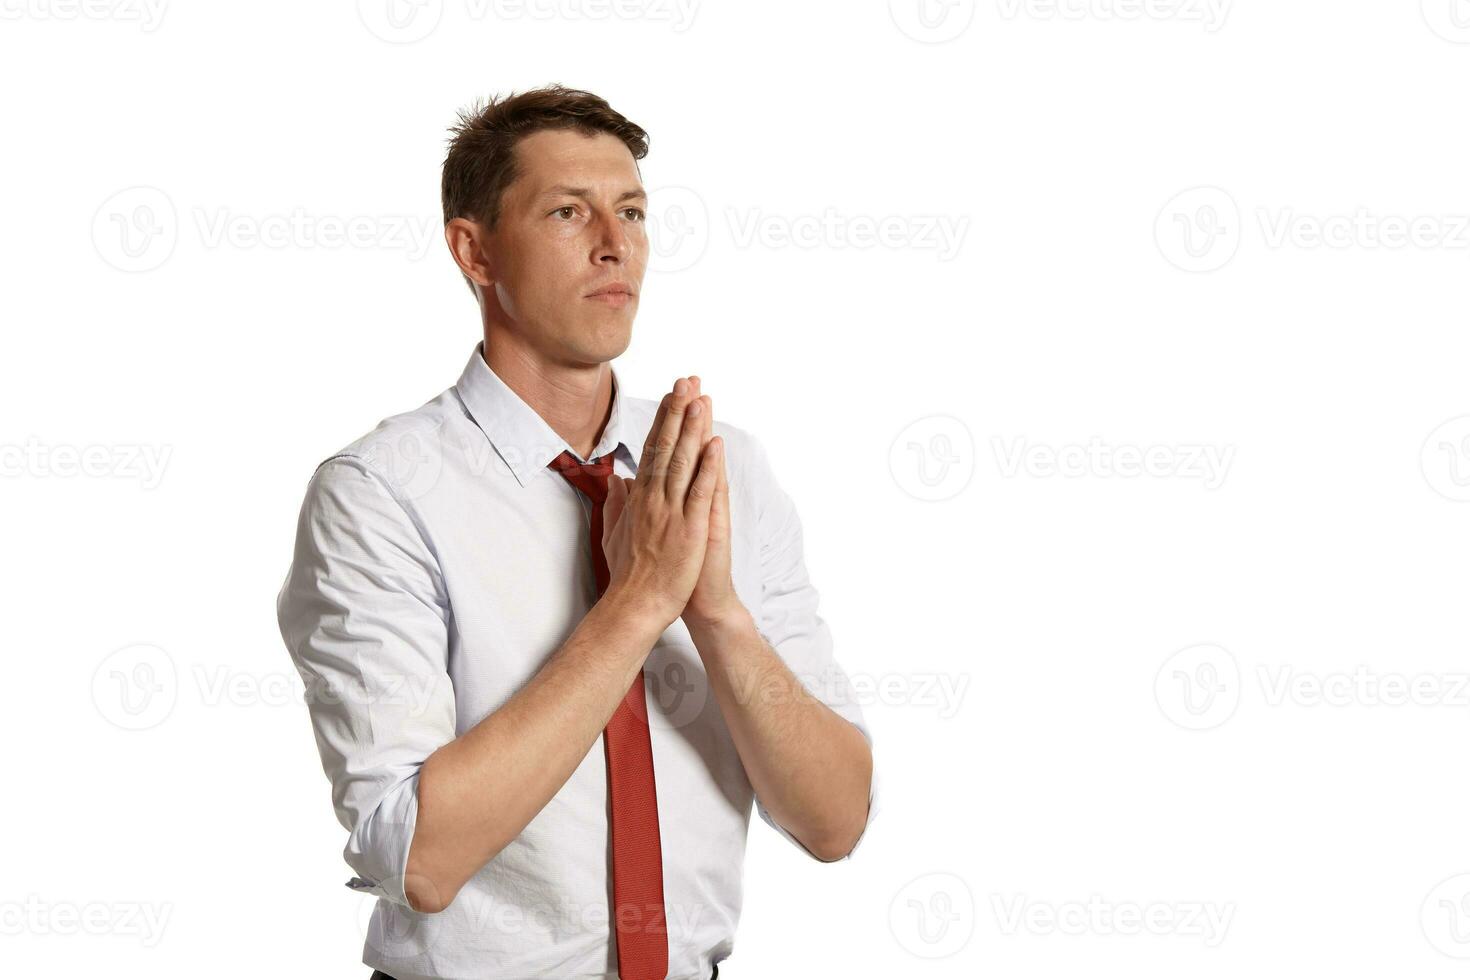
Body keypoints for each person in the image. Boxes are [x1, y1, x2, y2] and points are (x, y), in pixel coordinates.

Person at [276, 84, 878, 980]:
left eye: (632, 211)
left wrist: (714, 612)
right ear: (473, 251)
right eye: (569, 211)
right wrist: (637, 602)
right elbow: (418, 859)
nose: (615, 243)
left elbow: (835, 822)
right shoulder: (379, 495)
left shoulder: (724, 471)